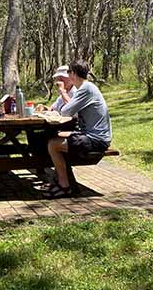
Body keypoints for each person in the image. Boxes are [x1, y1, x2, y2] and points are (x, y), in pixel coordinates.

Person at [43, 59, 112, 198]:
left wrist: (62, 91)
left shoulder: (86, 89)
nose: (68, 75)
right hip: (90, 135)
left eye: (69, 72)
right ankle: (59, 180)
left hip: (96, 140)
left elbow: (66, 111)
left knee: (53, 144)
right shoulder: (87, 88)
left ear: (73, 74)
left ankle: (64, 186)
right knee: (54, 137)